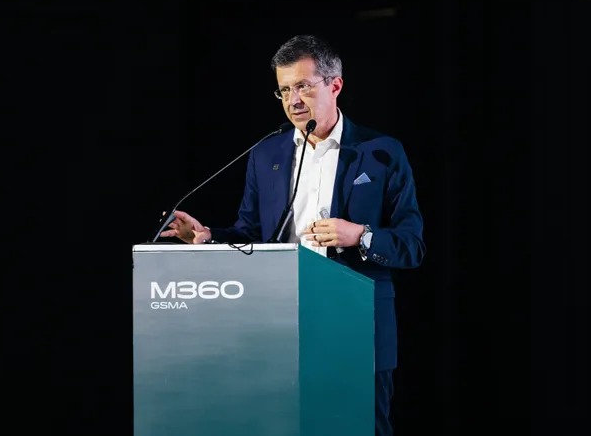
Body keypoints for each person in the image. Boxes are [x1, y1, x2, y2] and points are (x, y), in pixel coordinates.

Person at [161, 34, 425, 436]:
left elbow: (412, 245)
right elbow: (252, 234)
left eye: (303, 86)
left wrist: (361, 236)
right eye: (284, 90)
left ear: (335, 85)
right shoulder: (266, 154)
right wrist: (209, 236)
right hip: (282, 323)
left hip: (357, 325)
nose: (293, 100)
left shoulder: (381, 152)